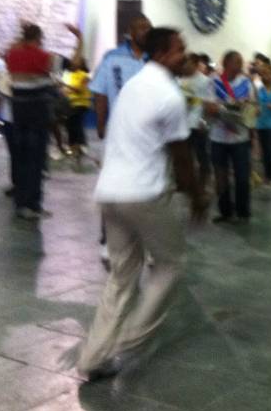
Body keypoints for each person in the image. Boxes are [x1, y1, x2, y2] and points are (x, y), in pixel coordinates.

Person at [77, 27, 206, 380]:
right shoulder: (169, 95)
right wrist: (197, 195)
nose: (185, 55)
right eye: (179, 50)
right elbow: (181, 155)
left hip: (110, 192)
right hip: (144, 194)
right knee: (170, 264)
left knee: (122, 275)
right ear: (162, 54)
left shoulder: (134, 86)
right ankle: (129, 340)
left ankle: (93, 357)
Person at [89, 13, 151, 262]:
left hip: (148, 136)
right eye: (141, 28)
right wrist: (101, 124)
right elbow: (100, 93)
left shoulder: (155, 60)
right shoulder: (112, 57)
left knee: (146, 191)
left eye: (149, 28)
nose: (146, 32)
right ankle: (109, 241)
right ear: (130, 32)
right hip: (118, 134)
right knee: (113, 188)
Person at [5, 23, 59, 220]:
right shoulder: (45, 57)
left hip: (18, 116)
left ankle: (22, 204)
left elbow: (12, 48)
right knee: (36, 163)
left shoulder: (12, 56)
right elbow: (72, 64)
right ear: (39, 38)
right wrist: (79, 40)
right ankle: (32, 205)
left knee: (21, 160)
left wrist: (21, 38)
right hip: (38, 117)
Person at [204, 51, 255, 223]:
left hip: (240, 138)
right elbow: (208, 107)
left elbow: (253, 107)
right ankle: (225, 211)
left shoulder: (246, 82)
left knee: (242, 177)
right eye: (236, 62)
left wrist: (247, 108)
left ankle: (243, 212)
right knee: (221, 177)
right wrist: (228, 108)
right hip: (218, 138)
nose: (239, 66)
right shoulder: (214, 81)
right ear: (225, 63)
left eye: (241, 62)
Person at [178, 53, 212, 190]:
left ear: (196, 64)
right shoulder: (179, 79)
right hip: (182, 124)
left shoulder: (205, 81)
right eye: (184, 62)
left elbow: (209, 102)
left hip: (198, 124)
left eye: (188, 63)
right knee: (184, 155)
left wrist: (204, 120)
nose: (185, 65)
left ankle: (203, 184)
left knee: (201, 155)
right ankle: (186, 183)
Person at [62, 58, 92, 170]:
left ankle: (81, 145)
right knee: (69, 125)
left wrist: (66, 86)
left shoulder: (84, 75)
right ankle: (73, 147)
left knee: (76, 123)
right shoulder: (69, 75)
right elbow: (66, 89)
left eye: (76, 62)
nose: (73, 63)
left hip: (81, 103)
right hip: (69, 103)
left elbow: (79, 89)